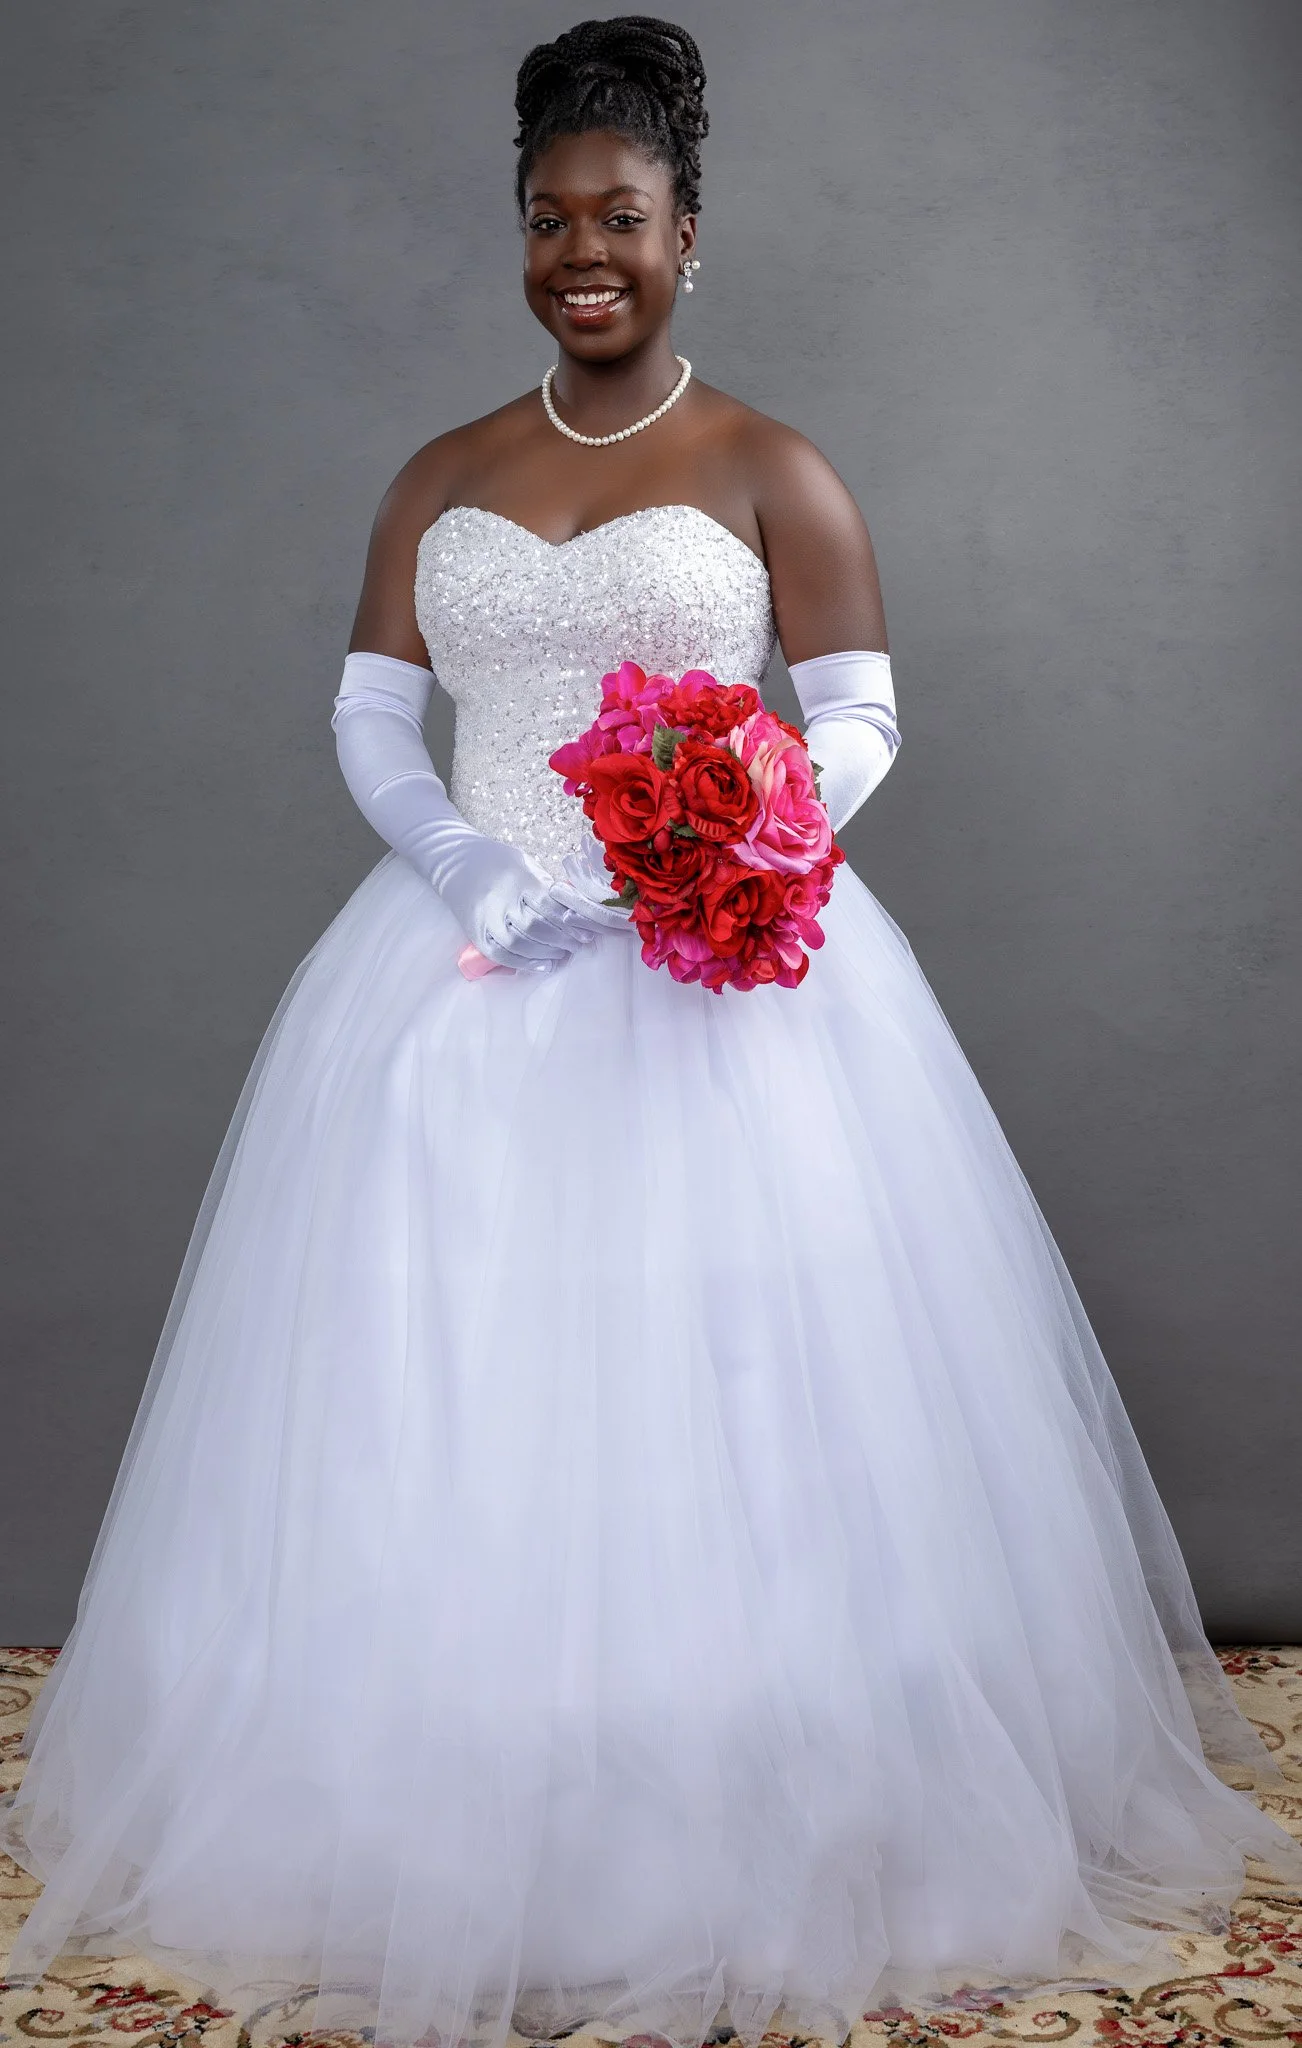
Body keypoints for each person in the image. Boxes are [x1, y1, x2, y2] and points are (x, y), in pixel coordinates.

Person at [3, 17, 1300, 2048]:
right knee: (451, 1378)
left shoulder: (774, 464)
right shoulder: (444, 469)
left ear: (692, 231)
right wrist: (465, 869)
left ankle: (745, 1804)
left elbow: (863, 709)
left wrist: (751, 840)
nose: (580, 251)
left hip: (727, 983)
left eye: (619, 217)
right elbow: (369, 713)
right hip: (473, 973)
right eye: (546, 220)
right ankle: (456, 1805)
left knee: (737, 1394)